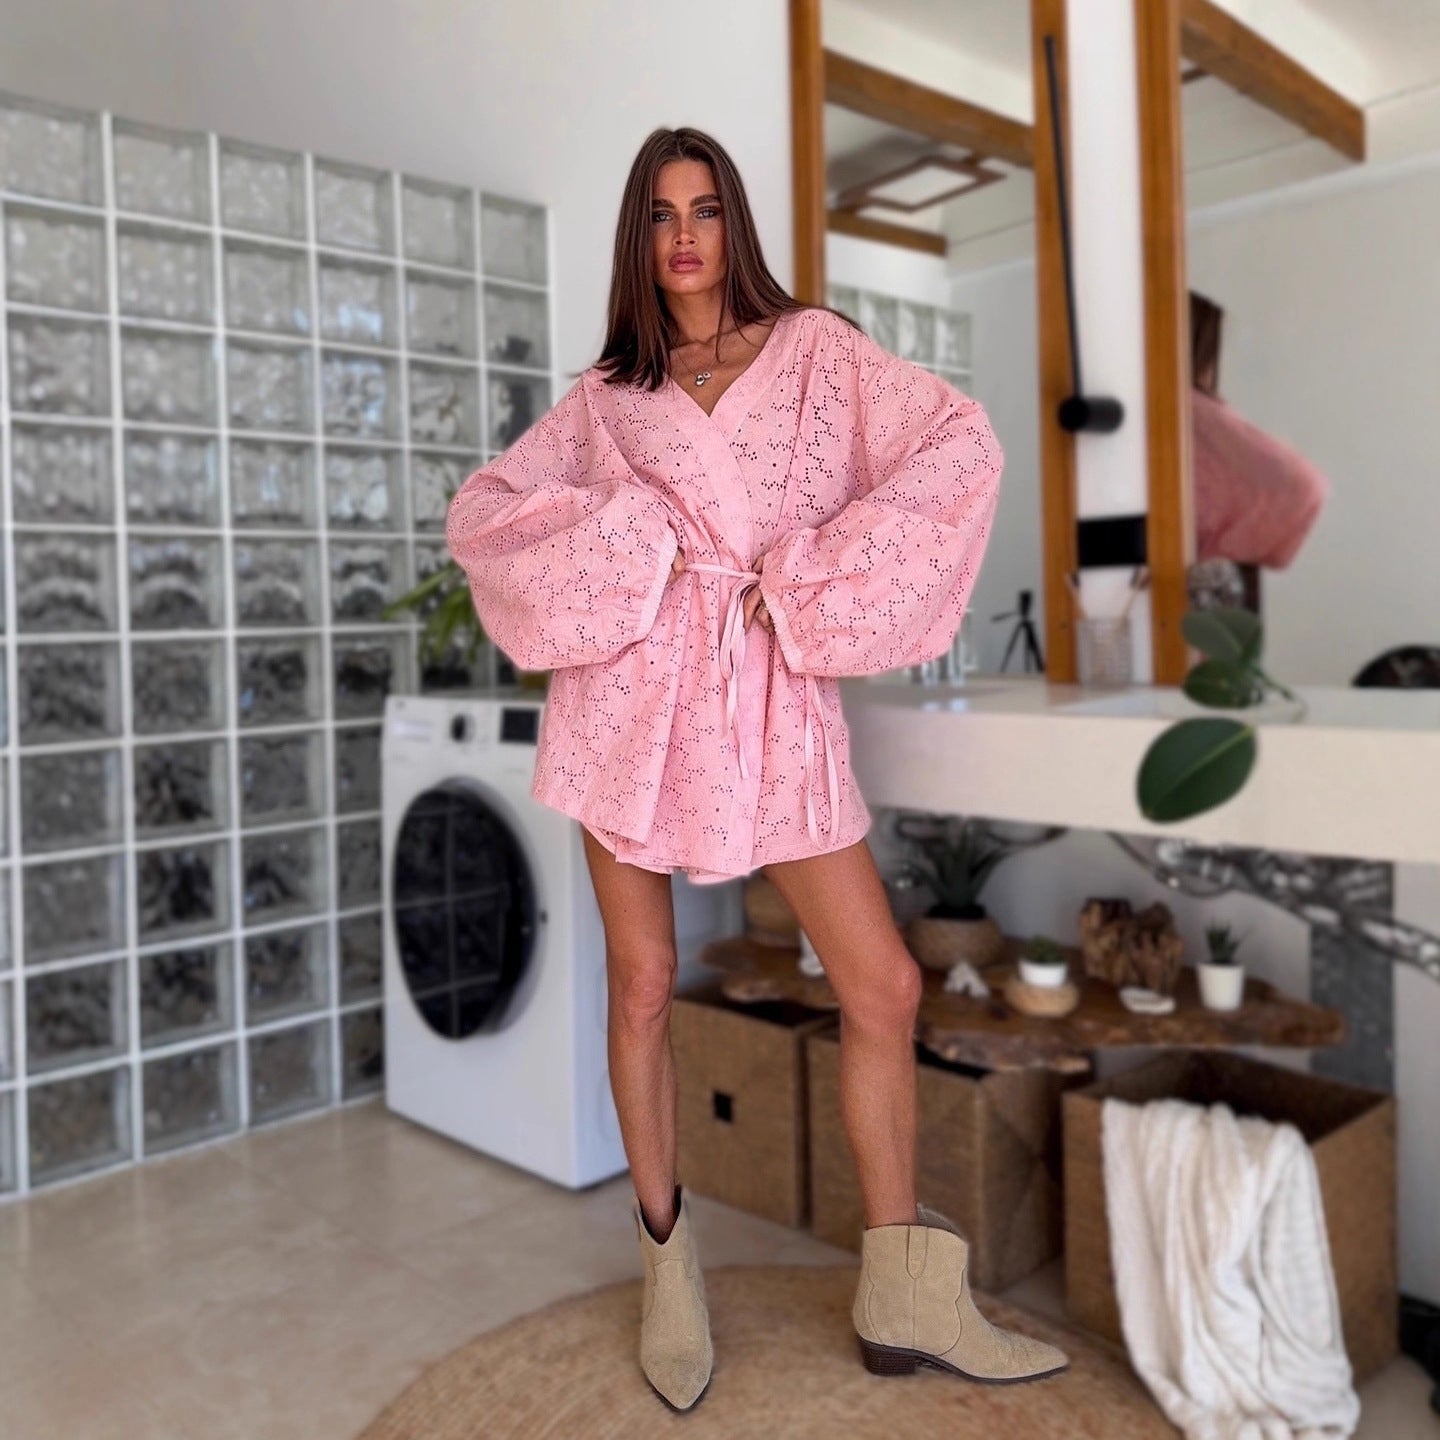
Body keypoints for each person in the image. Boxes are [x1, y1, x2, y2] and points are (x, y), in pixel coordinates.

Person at [445, 125, 1068, 1413]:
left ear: (735, 223)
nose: (685, 236)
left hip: (772, 694)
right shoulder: (606, 399)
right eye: (661, 213)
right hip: (627, 705)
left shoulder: (820, 353)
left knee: (883, 985)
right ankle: (668, 1273)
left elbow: (958, 446)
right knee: (643, 984)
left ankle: (903, 1294)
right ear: (640, 236)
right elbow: (487, 515)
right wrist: (632, 541)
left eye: (707, 209)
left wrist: (810, 584)